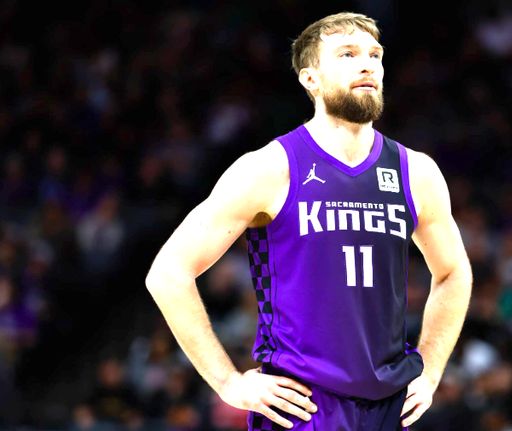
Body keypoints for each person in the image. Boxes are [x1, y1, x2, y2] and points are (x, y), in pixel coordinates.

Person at [145, 11, 472, 430]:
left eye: (375, 54)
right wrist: (227, 381)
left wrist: (431, 370)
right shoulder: (269, 168)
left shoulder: (416, 172)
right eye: (347, 54)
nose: (367, 64)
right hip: (302, 407)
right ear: (310, 79)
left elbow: (454, 272)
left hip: (389, 406)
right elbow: (168, 274)